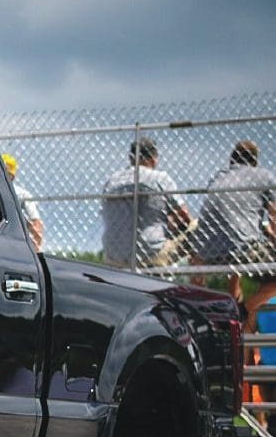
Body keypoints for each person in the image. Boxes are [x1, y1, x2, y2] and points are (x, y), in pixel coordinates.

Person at [195, 140, 276, 329]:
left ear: (232, 161)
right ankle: (244, 310)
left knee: (239, 246)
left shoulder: (218, 177)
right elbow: (275, 218)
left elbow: (229, 221)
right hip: (240, 247)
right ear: (254, 162)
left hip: (207, 250)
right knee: (249, 251)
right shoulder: (263, 176)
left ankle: (231, 301)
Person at [101, 135, 193, 268]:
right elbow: (185, 217)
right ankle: (197, 283)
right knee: (200, 226)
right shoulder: (159, 178)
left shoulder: (111, 181)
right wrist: (169, 224)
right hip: (150, 254)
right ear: (154, 159)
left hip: (113, 256)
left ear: (130, 158)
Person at [1, 153, 43, 250]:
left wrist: (34, 228)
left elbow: (35, 220)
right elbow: (35, 220)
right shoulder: (21, 194)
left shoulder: (21, 194)